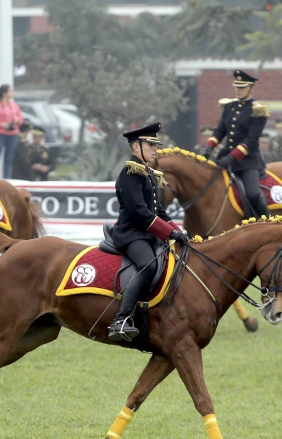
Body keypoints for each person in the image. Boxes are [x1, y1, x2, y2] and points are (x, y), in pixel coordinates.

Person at [108, 122, 187, 342]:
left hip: (148, 234)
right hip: (131, 234)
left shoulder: (149, 173)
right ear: (136, 148)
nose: (155, 149)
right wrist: (170, 234)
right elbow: (140, 214)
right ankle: (121, 319)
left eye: (155, 145)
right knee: (149, 264)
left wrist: (179, 232)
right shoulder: (130, 172)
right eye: (150, 145)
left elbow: (159, 211)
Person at [201, 70, 269, 218]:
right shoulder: (229, 107)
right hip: (224, 158)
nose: (238, 90)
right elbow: (219, 131)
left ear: (251, 88)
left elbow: (251, 140)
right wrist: (208, 148)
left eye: (242, 87)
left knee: (252, 194)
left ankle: (267, 222)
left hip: (247, 161)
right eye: (236, 87)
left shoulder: (257, 110)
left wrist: (231, 158)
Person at [0, 84, 23, 180]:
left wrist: (17, 120)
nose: (12, 93)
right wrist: (1, 124)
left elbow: (21, 119)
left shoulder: (14, 105)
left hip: (12, 134)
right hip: (0, 134)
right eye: (10, 91)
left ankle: (7, 179)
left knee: (9, 158)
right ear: (5, 93)